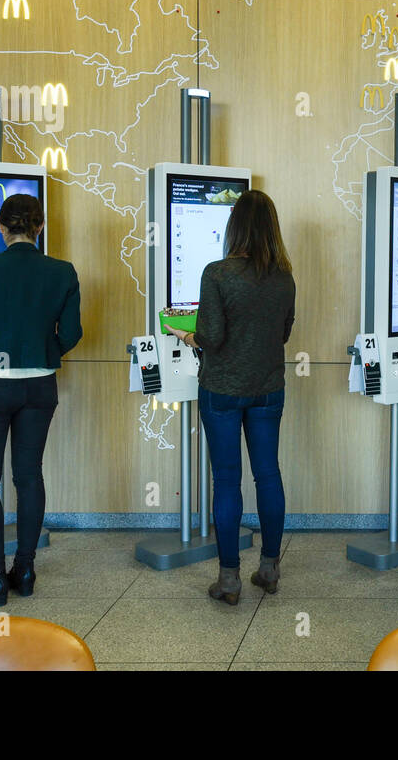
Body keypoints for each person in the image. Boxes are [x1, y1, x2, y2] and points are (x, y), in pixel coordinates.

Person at [0, 193, 82, 606]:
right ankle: (24, 569)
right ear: (39, 228)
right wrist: (43, 350)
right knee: (29, 475)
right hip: (40, 386)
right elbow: (72, 333)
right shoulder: (62, 271)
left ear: (2, 228)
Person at [165, 190, 295, 605]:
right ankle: (270, 568)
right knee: (268, 474)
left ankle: (229, 580)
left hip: (221, 390)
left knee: (226, 480)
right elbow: (283, 334)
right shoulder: (283, 276)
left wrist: (185, 333)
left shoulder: (217, 273)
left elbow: (212, 337)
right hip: (268, 388)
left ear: (234, 227)